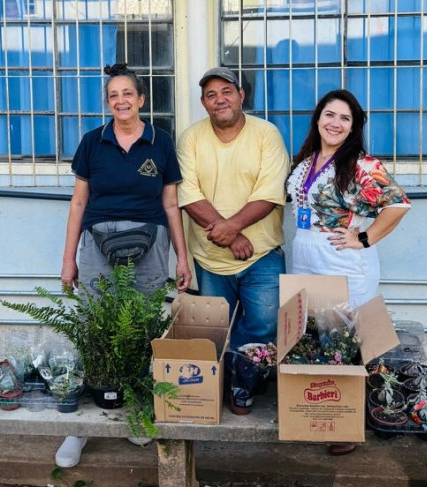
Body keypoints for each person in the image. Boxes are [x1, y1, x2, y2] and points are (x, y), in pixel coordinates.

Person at [55, 63, 192, 469]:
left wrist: (182, 257)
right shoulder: (92, 143)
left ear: (141, 99)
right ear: (108, 102)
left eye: (127, 94)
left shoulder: (161, 142)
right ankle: (80, 429)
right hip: (97, 244)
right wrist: (68, 260)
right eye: (113, 95)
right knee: (97, 328)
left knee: (142, 327)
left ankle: (136, 409)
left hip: (150, 244)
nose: (121, 101)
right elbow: (79, 202)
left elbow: (171, 204)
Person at [287, 89, 411, 454]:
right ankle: (320, 411)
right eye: (329, 114)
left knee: (348, 340)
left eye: (345, 118)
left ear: (354, 126)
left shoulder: (362, 164)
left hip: (342, 259)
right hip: (305, 254)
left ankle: (348, 421)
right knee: (314, 336)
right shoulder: (307, 159)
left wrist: (364, 238)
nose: (335, 123)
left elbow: (398, 205)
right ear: (318, 118)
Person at [177, 67, 289, 408]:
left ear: (241, 95)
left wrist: (232, 230)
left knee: (264, 324)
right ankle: (216, 385)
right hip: (209, 257)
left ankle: (243, 383)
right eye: (211, 95)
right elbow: (188, 193)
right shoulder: (191, 138)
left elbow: (270, 193)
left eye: (226, 91)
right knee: (215, 329)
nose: (219, 99)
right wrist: (230, 237)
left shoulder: (267, 134)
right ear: (203, 103)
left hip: (263, 253)